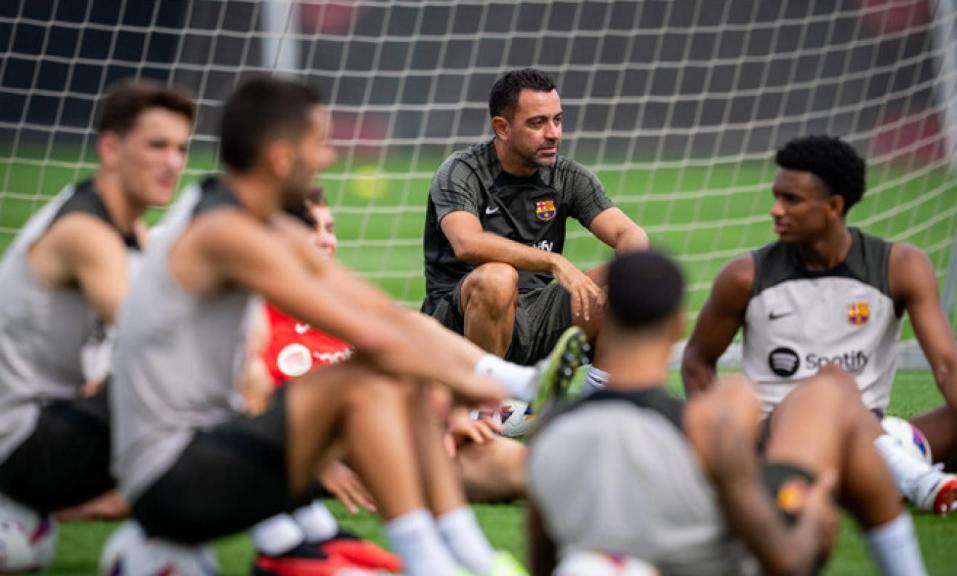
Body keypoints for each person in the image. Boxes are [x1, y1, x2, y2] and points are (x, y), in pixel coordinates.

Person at [109, 75, 587, 576]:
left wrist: (497, 381)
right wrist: (462, 387)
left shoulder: (254, 219)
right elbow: (370, 335)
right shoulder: (225, 234)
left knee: (397, 375)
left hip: (228, 447)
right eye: (320, 143)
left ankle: (469, 555)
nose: (330, 156)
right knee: (370, 377)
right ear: (280, 156)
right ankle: (435, 563)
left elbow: (381, 312)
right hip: (175, 478)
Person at [528, 250, 927, 576]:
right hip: (720, 557)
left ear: (605, 319)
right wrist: (816, 519)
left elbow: (543, 562)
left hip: (609, 550)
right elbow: (787, 561)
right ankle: (916, 492)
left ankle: (918, 478)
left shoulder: (547, 434)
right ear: (676, 326)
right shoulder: (707, 429)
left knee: (748, 396)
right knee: (827, 393)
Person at [683, 134, 957, 513]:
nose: (776, 210)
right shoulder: (744, 276)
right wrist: (729, 450)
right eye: (776, 197)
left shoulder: (899, 266)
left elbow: (946, 363)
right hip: (780, 441)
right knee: (832, 383)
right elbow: (697, 361)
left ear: (834, 206)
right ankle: (920, 483)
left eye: (791, 199)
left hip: (877, 435)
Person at [0, 80, 194, 571]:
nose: (173, 161)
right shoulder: (86, 233)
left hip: (43, 427)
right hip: (18, 446)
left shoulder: (124, 225)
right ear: (111, 147)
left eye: (181, 148)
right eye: (157, 145)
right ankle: (285, 544)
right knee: (186, 391)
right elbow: (154, 342)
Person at [422, 67, 648, 395]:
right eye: (537, 123)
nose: (554, 133)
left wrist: (629, 274)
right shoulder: (461, 171)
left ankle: (595, 406)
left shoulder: (568, 176)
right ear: (502, 127)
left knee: (632, 274)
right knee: (498, 278)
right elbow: (466, 242)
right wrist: (553, 262)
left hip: (535, 315)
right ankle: (483, 404)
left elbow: (631, 234)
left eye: (557, 120)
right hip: (456, 326)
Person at [239, 188, 398, 574]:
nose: (328, 240)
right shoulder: (250, 310)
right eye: (313, 228)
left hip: (379, 438)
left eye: (331, 227)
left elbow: (401, 344)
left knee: (509, 465)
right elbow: (246, 401)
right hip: (314, 453)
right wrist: (317, 458)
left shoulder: (341, 299)